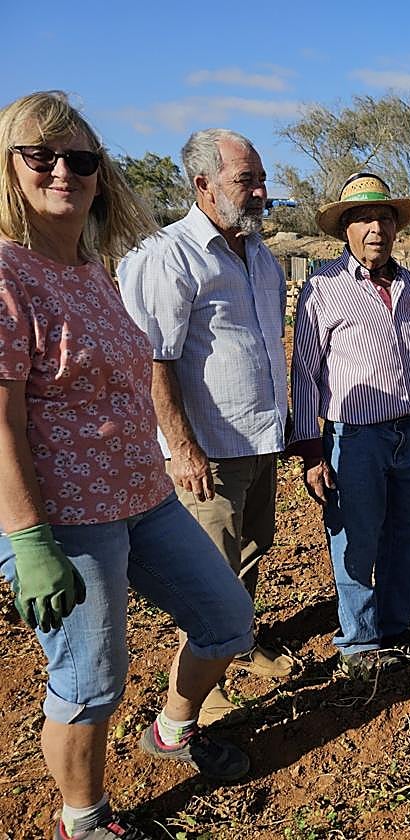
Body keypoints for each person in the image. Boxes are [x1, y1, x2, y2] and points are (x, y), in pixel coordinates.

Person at [0, 91, 254, 840]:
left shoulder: (91, 269)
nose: (63, 172)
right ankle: (84, 822)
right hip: (67, 520)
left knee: (226, 619)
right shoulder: (6, 276)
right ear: (9, 168)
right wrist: (30, 540)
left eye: (80, 159)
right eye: (40, 156)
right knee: (90, 682)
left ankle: (172, 730)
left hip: (145, 497)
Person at [118, 128, 295, 724]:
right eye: (246, 180)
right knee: (209, 570)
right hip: (208, 450)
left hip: (259, 436)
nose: (260, 192)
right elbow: (154, 359)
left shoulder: (260, 254)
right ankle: (201, 687)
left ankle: (238, 645)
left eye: (261, 179)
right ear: (203, 184)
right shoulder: (168, 255)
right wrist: (181, 447)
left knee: (250, 548)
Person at [289, 173, 410, 675]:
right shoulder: (322, 288)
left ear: (395, 227)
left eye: (384, 218)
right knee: (356, 539)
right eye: (363, 219)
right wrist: (312, 451)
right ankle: (360, 644)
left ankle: (395, 626)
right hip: (355, 438)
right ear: (345, 228)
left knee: (409, 533)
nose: (375, 229)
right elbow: (305, 373)